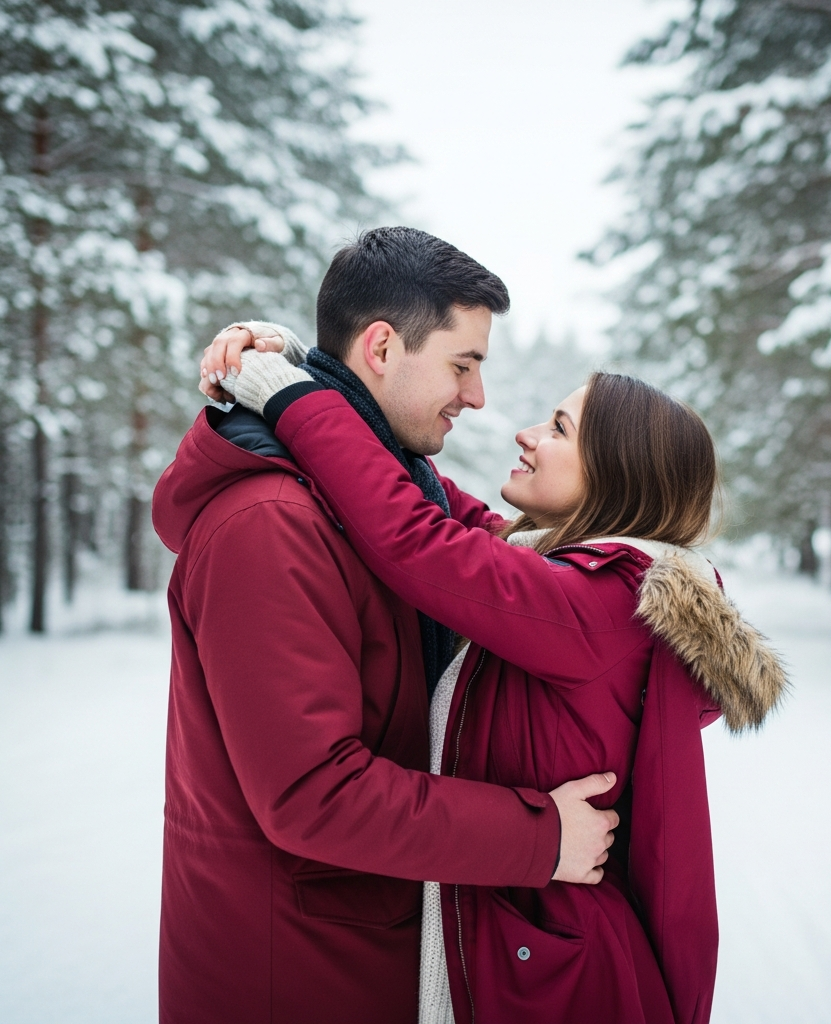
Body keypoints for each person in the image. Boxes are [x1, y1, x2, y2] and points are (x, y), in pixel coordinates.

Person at [206, 330, 789, 1024]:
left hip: (551, 980)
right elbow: (426, 503)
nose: (526, 432)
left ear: (616, 472)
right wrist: (323, 371)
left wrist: (293, 398)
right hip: (542, 955)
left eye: (559, 427)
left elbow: (413, 536)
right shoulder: (577, 582)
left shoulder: (594, 603)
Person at [151, 227, 620, 1024]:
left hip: (369, 950)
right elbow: (312, 793)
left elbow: (496, 566)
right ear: (379, 346)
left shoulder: (391, 489)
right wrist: (540, 838)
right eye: (462, 365)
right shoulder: (270, 524)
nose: (476, 397)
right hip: (295, 976)